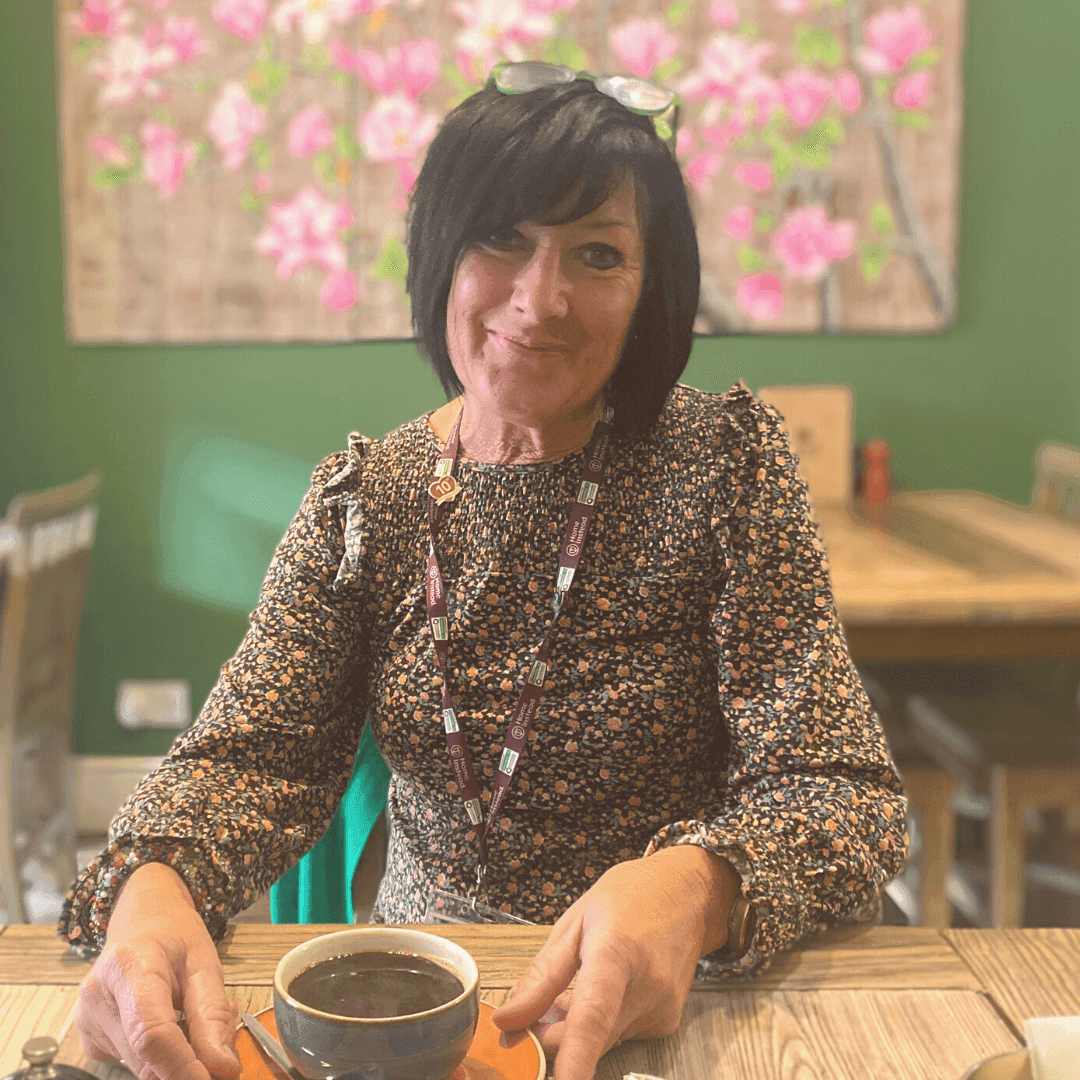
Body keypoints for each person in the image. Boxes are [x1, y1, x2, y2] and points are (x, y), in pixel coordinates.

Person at [61, 64, 908, 1080]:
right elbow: (246, 760)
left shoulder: (720, 468)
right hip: (420, 1013)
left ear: (651, 292)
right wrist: (150, 886)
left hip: (683, 1007)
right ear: (441, 255)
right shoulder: (363, 499)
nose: (538, 298)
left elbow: (841, 789)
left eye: (598, 255)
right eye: (502, 239)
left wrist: (697, 885)